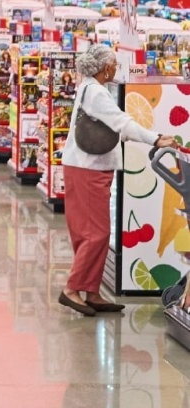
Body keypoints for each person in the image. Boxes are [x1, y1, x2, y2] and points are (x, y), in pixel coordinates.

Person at [59, 45, 175, 316]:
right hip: (87, 170)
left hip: (86, 167)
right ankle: (72, 289)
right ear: (104, 68)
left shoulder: (89, 87)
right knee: (95, 233)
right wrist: (155, 138)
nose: (116, 68)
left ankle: (91, 291)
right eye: (113, 64)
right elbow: (123, 123)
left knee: (87, 232)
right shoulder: (97, 93)